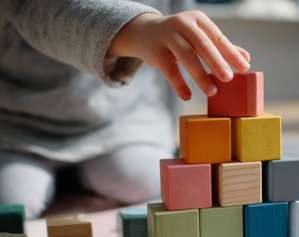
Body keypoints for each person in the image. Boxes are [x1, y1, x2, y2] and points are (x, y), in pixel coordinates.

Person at [0, 0, 251, 218]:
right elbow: (44, 11)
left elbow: (177, 50)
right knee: (12, 203)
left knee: (153, 181)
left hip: (121, 119)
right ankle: (68, 178)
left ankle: (81, 176)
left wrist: (173, 132)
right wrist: (141, 29)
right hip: (22, 122)